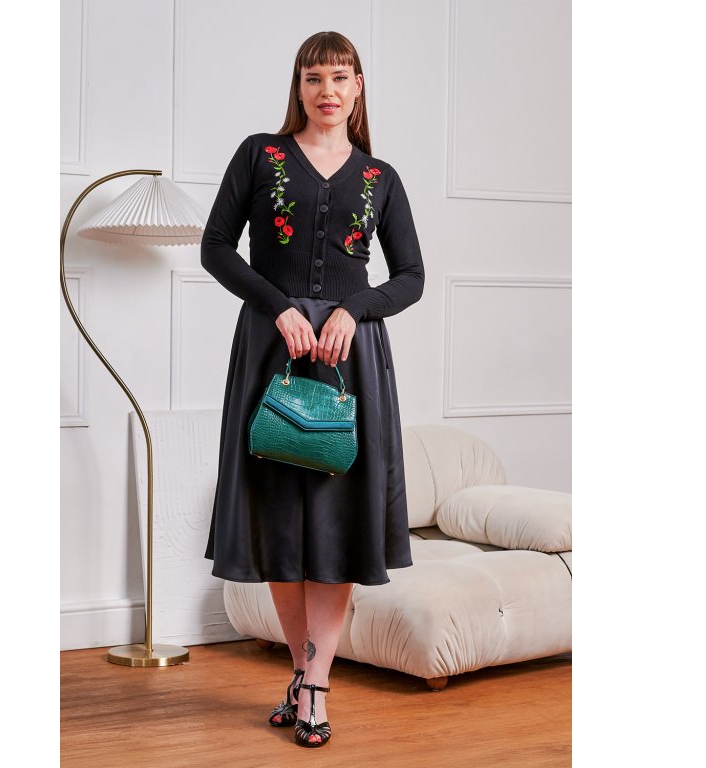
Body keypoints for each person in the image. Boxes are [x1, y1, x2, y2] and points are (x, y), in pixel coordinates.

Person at [200, 31, 424, 748]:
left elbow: (411, 277)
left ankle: (316, 685)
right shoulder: (259, 155)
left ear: (358, 88)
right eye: (313, 77)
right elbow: (214, 247)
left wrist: (354, 312)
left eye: (340, 76)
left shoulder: (380, 177)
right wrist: (279, 307)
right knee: (277, 518)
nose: (327, 90)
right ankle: (302, 673)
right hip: (274, 349)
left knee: (337, 521)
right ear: (298, 87)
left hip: (350, 360)